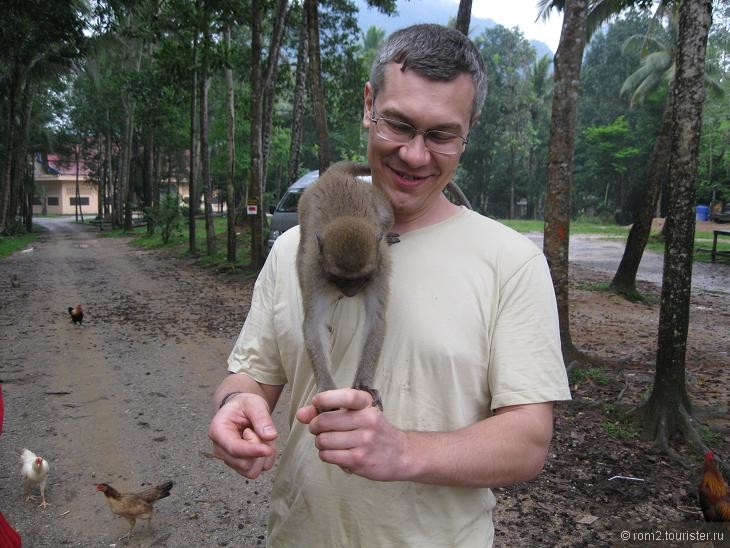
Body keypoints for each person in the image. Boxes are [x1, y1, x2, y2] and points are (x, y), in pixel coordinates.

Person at [208, 23, 571, 547]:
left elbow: (528, 442)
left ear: (469, 130)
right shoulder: (295, 249)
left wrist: (402, 451)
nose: (415, 155)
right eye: (398, 125)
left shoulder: (510, 263)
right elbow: (250, 378)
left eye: (441, 134)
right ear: (368, 106)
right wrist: (232, 408)